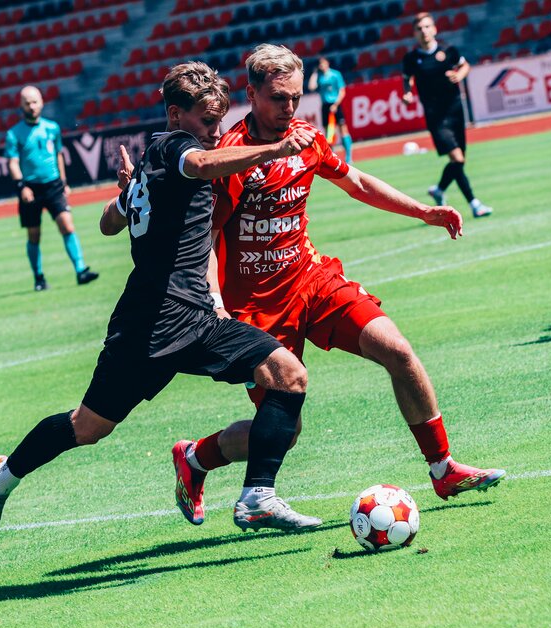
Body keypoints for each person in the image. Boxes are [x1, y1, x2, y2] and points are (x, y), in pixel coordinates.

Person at [0, 62, 325, 542]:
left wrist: (132, 191)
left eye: (219, 121)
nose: (215, 131)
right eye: (206, 121)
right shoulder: (176, 146)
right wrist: (276, 149)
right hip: (149, 323)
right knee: (88, 427)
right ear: (176, 115)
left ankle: (257, 496)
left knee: (287, 374)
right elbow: (199, 166)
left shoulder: (154, 163)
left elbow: (108, 223)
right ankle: (1, 477)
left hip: (196, 316)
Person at [168, 44, 505, 527]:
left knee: (398, 351)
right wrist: (216, 303)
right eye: (278, 98)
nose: (289, 108)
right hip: (257, 308)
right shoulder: (233, 157)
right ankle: (195, 457)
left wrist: (423, 211)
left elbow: (356, 182)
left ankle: (443, 469)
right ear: (251, 94)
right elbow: (207, 236)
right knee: (286, 432)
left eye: (295, 97)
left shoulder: (306, 137)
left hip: (312, 279)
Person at [5, 85, 98, 291]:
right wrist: (21, 187)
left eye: (34, 102)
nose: (31, 106)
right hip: (30, 188)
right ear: (21, 106)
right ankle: (39, 278)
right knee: (34, 235)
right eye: (27, 103)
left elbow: (58, 155)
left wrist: (63, 182)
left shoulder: (52, 128)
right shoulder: (13, 134)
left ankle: (81, 270)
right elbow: (12, 162)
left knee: (67, 226)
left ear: (41, 103)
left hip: (53, 185)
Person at [401, 12, 492, 218]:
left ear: (434, 29)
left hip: (456, 111)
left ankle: (439, 190)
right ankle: (474, 203)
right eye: (419, 29)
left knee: (460, 161)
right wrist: (407, 93)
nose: (424, 31)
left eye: (427, 27)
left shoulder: (448, 50)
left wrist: (459, 75)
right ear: (414, 33)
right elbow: (407, 78)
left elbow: (465, 65)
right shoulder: (411, 59)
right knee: (457, 158)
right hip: (436, 117)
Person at [307, 56, 353, 162]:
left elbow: (342, 91)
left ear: (327, 63)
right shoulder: (319, 76)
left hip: (335, 104)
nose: (321, 66)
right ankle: (333, 157)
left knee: (342, 128)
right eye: (320, 64)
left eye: (323, 63)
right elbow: (311, 87)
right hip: (325, 106)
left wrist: (336, 105)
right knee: (329, 132)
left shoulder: (335, 74)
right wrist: (314, 73)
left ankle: (348, 156)